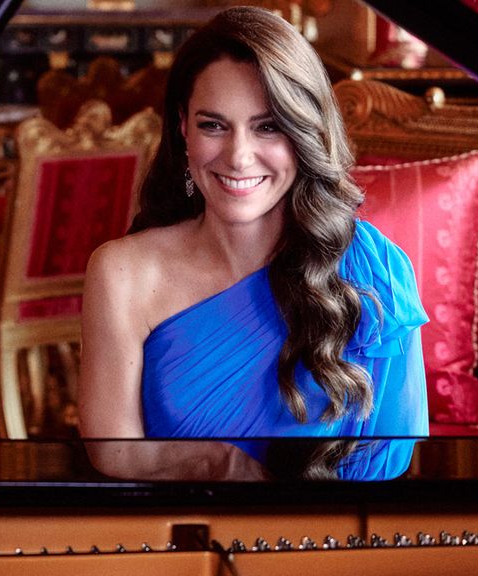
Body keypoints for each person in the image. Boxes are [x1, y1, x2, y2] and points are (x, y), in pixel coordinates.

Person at [78, 6, 428, 478]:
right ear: (183, 127)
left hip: (333, 543)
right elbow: (112, 454)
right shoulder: (122, 273)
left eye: (268, 126)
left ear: (305, 132)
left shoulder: (376, 270)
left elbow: (390, 467)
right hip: (183, 539)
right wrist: (215, 460)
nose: (239, 156)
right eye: (213, 125)